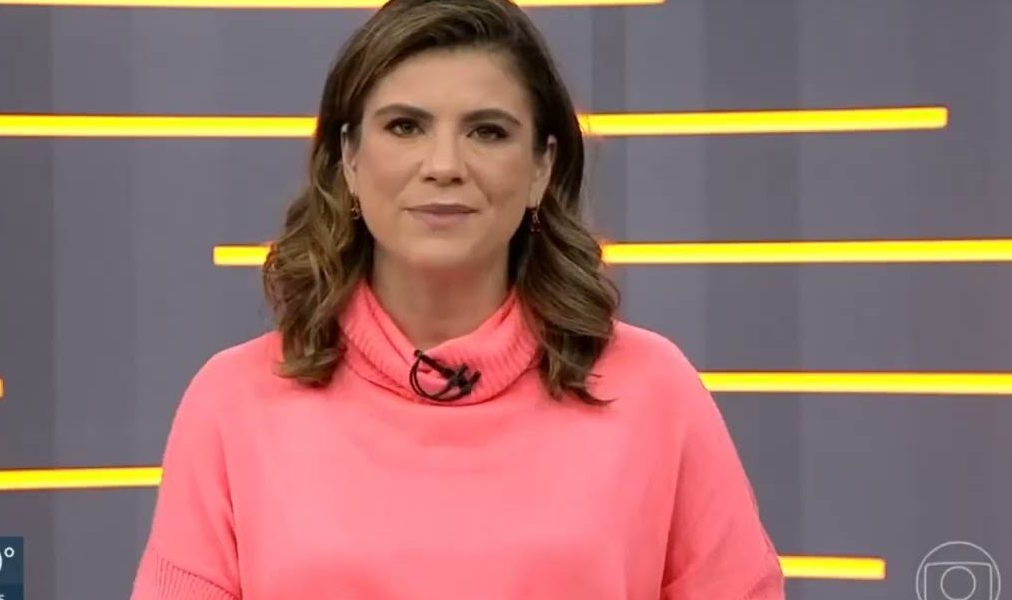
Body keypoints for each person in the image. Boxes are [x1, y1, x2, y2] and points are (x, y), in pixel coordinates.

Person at [130, 0, 785, 597]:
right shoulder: (233, 402)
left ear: (541, 167)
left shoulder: (654, 391)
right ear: (349, 158)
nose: (444, 165)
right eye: (405, 126)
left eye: (487, 132)